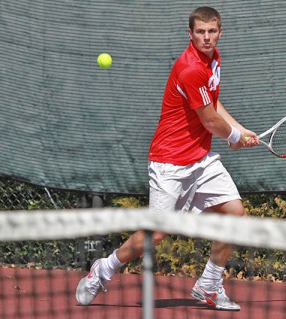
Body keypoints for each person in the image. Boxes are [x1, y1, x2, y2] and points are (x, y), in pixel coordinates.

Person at [75, 6, 259, 311]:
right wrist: (234, 137)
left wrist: (239, 129)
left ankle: (209, 285)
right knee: (155, 235)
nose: (206, 37)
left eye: (212, 31)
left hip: (201, 160)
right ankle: (103, 270)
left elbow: (213, 103)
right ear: (190, 34)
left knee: (235, 215)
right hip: (170, 163)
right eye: (200, 32)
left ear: (220, 33)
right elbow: (210, 121)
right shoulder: (190, 68)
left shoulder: (213, 60)